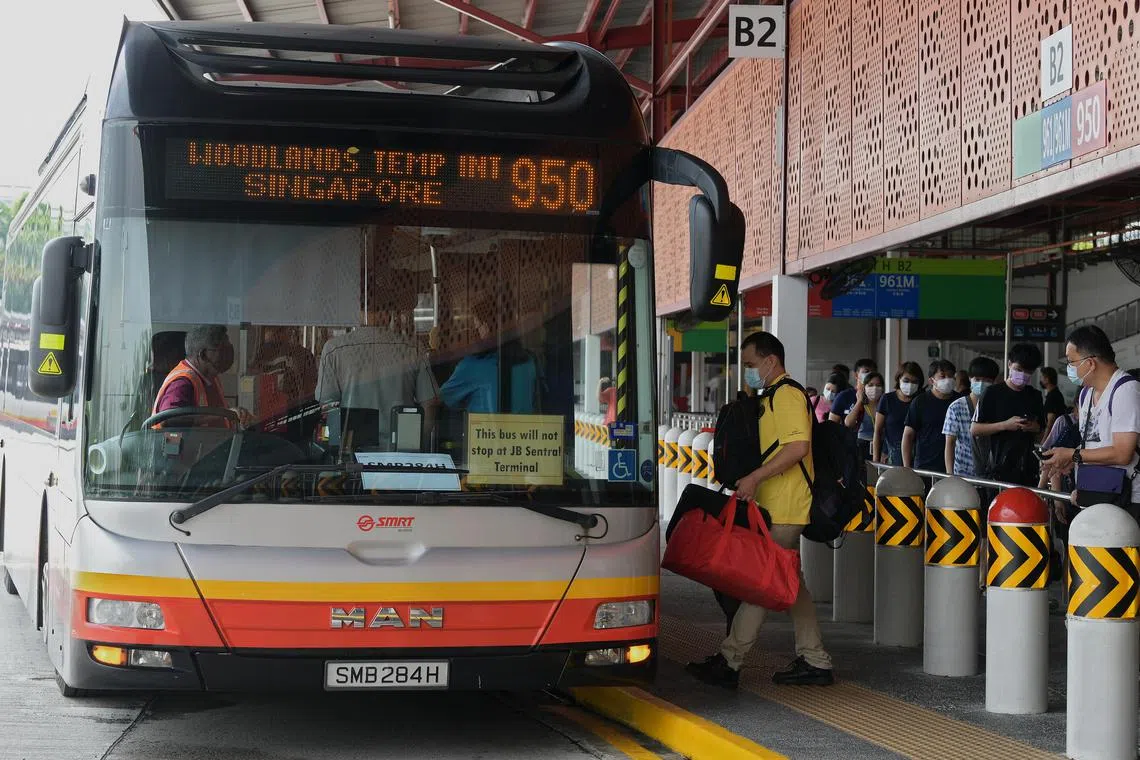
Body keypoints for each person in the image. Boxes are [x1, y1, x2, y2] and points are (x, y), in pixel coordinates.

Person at [686, 331, 833, 689]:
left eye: (751, 364)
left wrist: (754, 477)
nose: (748, 371)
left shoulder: (786, 395)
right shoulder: (772, 396)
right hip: (776, 505)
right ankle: (815, 660)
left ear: (771, 361)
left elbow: (798, 447)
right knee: (791, 585)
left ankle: (730, 659)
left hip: (785, 506)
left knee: (760, 584)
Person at [317, 286, 439, 450]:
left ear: (358, 312)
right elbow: (430, 404)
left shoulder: (333, 350)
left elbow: (328, 406)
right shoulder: (412, 349)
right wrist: (416, 447)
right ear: (388, 313)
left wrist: (338, 452)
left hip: (354, 455)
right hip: (401, 454)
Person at [1042, 326, 1140, 524]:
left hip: (1127, 498)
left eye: (1071, 362)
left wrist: (1073, 454)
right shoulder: (1086, 393)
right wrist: (1069, 459)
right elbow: (1095, 443)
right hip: (1096, 491)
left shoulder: (1125, 390)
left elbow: (1123, 453)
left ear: (1090, 363)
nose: (1069, 368)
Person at [441, 298, 538, 414]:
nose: (476, 332)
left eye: (477, 327)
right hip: (524, 432)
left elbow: (439, 400)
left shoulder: (473, 366)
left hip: (484, 432)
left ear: (486, 328)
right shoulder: (530, 362)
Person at [970, 343, 1044, 486]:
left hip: (1027, 469)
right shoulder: (992, 393)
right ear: (1009, 364)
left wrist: (1033, 427)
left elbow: (1041, 431)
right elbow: (975, 429)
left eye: (1028, 372)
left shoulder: (1034, 396)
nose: (1022, 375)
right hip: (998, 469)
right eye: (1018, 369)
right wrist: (1005, 425)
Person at [152, 325, 245, 427]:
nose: (229, 352)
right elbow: (168, 419)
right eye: (223, 349)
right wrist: (223, 415)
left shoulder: (210, 377)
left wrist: (237, 414)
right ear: (204, 355)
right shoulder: (182, 383)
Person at [942, 357, 999, 477]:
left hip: (993, 474)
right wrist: (950, 475)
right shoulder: (956, 407)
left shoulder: (998, 407)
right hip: (963, 474)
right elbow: (950, 443)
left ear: (994, 382)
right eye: (977, 379)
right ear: (970, 379)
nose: (981, 384)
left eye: (987, 380)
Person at [902, 359, 958, 473]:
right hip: (925, 466)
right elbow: (908, 436)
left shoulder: (959, 401)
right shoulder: (920, 401)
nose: (947, 380)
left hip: (955, 467)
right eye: (942, 376)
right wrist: (907, 469)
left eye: (950, 376)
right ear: (931, 380)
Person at [873, 362, 923, 465]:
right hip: (892, 455)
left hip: (918, 456)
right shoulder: (887, 399)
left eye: (914, 382)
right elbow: (878, 431)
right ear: (898, 379)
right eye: (906, 380)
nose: (910, 385)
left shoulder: (921, 400)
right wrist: (876, 460)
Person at [844, 371, 885, 461]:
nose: (874, 388)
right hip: (862, 447)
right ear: (864, 388)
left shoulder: (886, 404)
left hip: (883, 447)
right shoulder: (861, 406)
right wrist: (859, 401)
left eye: (878, 385)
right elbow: (848, 423)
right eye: (870, 385)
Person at [830, 358, 876, 425]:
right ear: (856, 375)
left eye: (873, 372)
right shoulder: (843, 396)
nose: (870, 375)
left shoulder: (879, 397)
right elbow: (832, 425)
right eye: (866, 371)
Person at [1040, 367, 1068, 440]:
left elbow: (1050, 422)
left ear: (1047, 379)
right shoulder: (1057, 394)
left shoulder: (1052, 396)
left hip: (1054, 438)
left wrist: (1044, 441)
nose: (1041, 379)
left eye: (1042, 377)